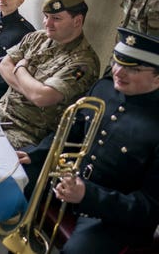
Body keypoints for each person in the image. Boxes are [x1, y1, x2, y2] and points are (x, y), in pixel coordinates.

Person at [17, 28, 159, 254]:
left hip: (112, 215)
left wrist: (88, 195)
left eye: (133, 69)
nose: (118, 72)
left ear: (157, 76)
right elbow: (70, 132)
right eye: (117, 62)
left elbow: (150, 207)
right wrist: (38, 153)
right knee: (11, 179)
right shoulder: (104, 88)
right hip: (69, 181)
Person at [0, 0, 100, 149]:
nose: (47, 24)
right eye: (46, 17)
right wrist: (31, 89)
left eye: (56, 18)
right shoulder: (37, 37)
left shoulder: (83, 62)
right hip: (0, 109)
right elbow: (4, 66)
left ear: (77, 21)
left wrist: (20, 67)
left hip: (26, 132)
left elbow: (42, 97)